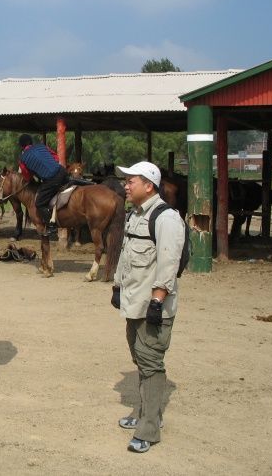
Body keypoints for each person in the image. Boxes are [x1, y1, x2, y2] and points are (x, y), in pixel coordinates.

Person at [112, 161, 185, 453]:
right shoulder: (135, 215)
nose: (126, 186)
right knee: (141, 360)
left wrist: (157, 300)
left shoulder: (166, 218)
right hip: (134, 303)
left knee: (152, 364)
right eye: (126, 181)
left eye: (131, 181)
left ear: (149, 185)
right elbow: (125, 253)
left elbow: (168, 263)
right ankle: (144, 412)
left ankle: (149, 429)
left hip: (153, 306)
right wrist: (117, 285)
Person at [17, 133, 68, 235]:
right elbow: (56, 158)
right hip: (62, 171)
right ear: (31, 142)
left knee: (39, 203)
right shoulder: (42, 146)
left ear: (21, 146)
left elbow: (27, 177)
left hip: (51, 180)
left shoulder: (23, 158)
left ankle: (51, 226)